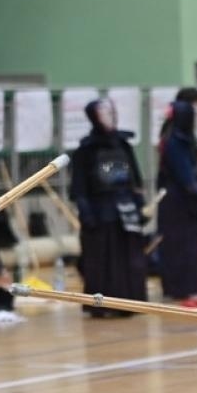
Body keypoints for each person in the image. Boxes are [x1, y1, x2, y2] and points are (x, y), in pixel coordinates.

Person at [68, 99, 148, 316]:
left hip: (126, 210)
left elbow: (135, 180)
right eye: (104, 113)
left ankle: (132, 302)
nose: (109, 116)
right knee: (103, 260)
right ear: (94, 117)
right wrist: (87, 213)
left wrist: (140, 206)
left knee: (130, 258)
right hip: (100, 211)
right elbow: (79, 188)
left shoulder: (124, 145)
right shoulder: (86, 151)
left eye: (111, 111)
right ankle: (104, 305)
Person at [155, 100, 197, 306]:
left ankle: (190, 288)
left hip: (187, 204)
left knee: (192, 245)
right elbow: (185, 177)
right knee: (181, 246)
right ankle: (182, 289)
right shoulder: (173, 142)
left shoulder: (185, 139)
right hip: (177, 203)